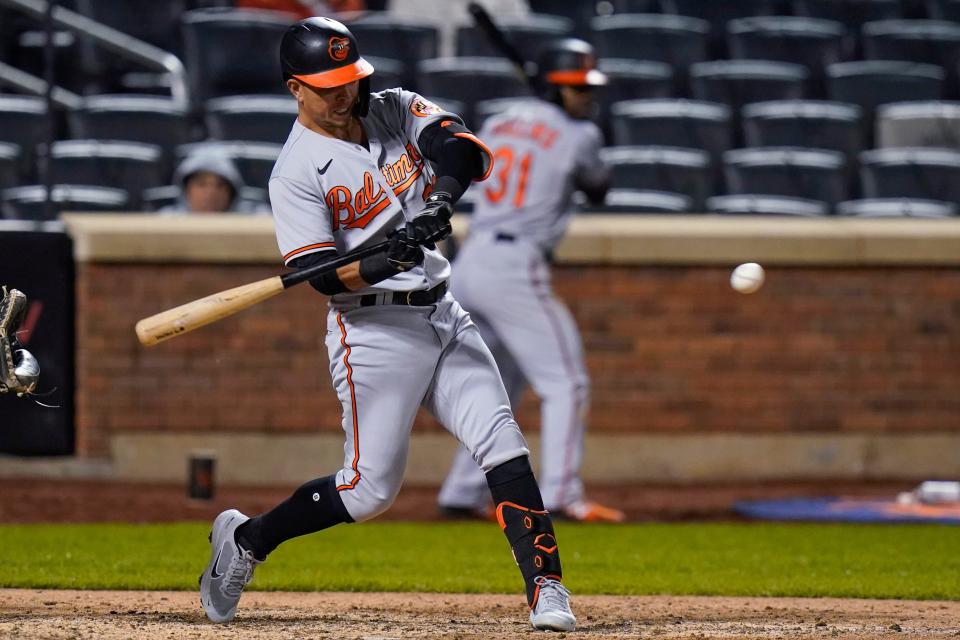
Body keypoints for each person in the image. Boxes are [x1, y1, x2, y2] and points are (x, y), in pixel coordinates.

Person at [199, 17, 576, 632]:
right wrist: (382, 257)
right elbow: (321, 275)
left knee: (502, 441)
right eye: (327, 85)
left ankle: (547, 589)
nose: (344, 93)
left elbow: (460, 147)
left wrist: (439, 202)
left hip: (443, 312)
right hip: (372, 332)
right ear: (296, 88)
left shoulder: (392, 107)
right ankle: (246, 541)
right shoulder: (294, 172)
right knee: (368, 493)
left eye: (349, 78)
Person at [437, 39, 625, 524]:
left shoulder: (500, 120)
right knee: (568, 382)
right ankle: (563, 493)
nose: (587, 97)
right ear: (552, 87)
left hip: (471, 258)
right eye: (576, 88)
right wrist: (580, 131)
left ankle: (460, 491)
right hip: (516, 264)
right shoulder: (578, 133)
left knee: (500, 382)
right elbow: (600, 188)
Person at [162, 150, 267, 214]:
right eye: (202, 184)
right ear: (187, 190)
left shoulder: (253, 221)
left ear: (232, 192)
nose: (211, 192)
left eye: (220, 185)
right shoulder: (164, 223)